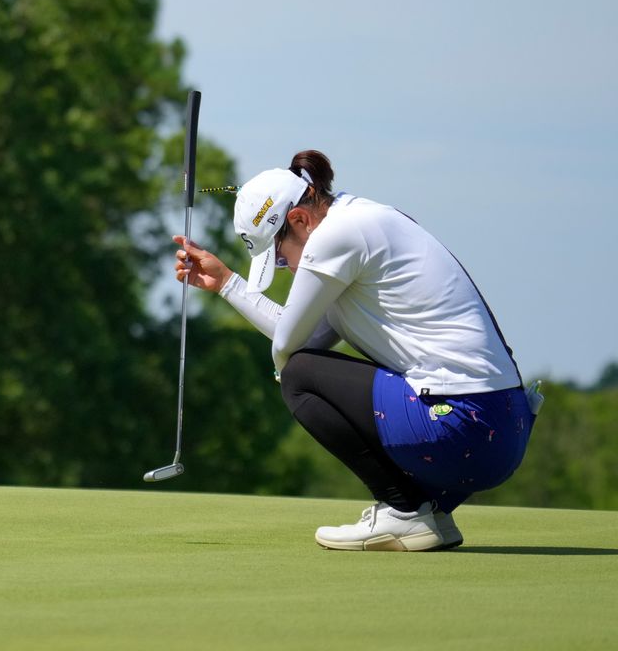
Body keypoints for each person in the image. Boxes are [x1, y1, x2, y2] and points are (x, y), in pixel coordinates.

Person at [174, 150, 539, 551]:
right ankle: (430, 515)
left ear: (299, 220)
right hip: (501, 433)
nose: (284, 265)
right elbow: (308, 338)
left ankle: (401, 511)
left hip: (461, 429)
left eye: (279, 254)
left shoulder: (336, 236)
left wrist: (283, 367)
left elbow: (288, 350)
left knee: (298, 377)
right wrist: (227, 283)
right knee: (302, 366)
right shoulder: (358, 218)